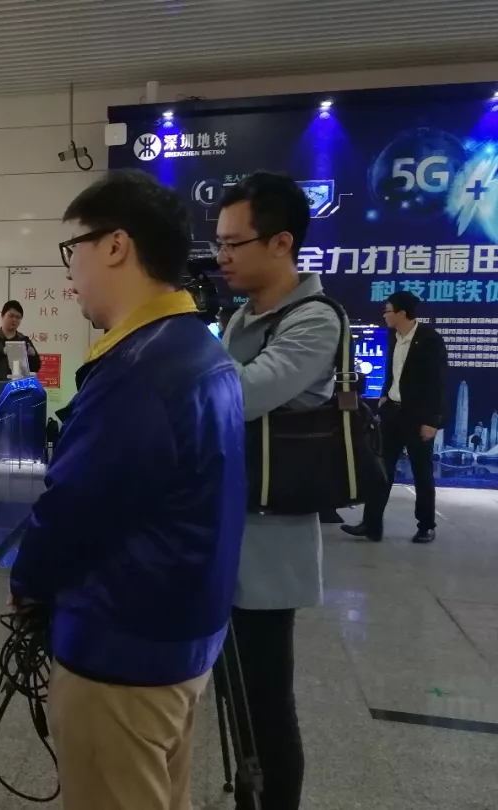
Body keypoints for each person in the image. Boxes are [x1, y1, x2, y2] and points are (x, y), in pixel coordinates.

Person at [11, 169, 246, 810]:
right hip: (183, 632)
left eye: (74, 249)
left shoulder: (139, 371)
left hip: (122, 645)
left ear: (116, 245)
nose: (70, 272)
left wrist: (27, 584)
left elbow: (74, 510)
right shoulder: (198, 348)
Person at [217, 171, 342, 810]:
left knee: (266, 703)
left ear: (282, 242)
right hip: (225, 531)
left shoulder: (315, 320)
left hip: (270, 547)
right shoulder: (241, 315)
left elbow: (239, 396)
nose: (222, 256)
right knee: (234, 701)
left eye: (234, 243)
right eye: (218, 243)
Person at [342, 291, 447, 544]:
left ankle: (426, 526)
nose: (384, 314)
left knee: (421, 473)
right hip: (392, 413)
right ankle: (371, 524)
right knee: (381, 470)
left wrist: (432, 421)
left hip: (418, 416)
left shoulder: (430, 340)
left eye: (388, 310)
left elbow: (438, 383)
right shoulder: (393, 336)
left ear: (401, 313)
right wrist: (384, 395)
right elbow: (393, 372)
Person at [0, 301, 42, 380]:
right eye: (11, 316)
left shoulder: (24, 340)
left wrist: (32, 356)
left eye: (18, 317)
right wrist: (1, 352)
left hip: (18, 383)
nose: (14, 319)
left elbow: (36, 367)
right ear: (2, 315)